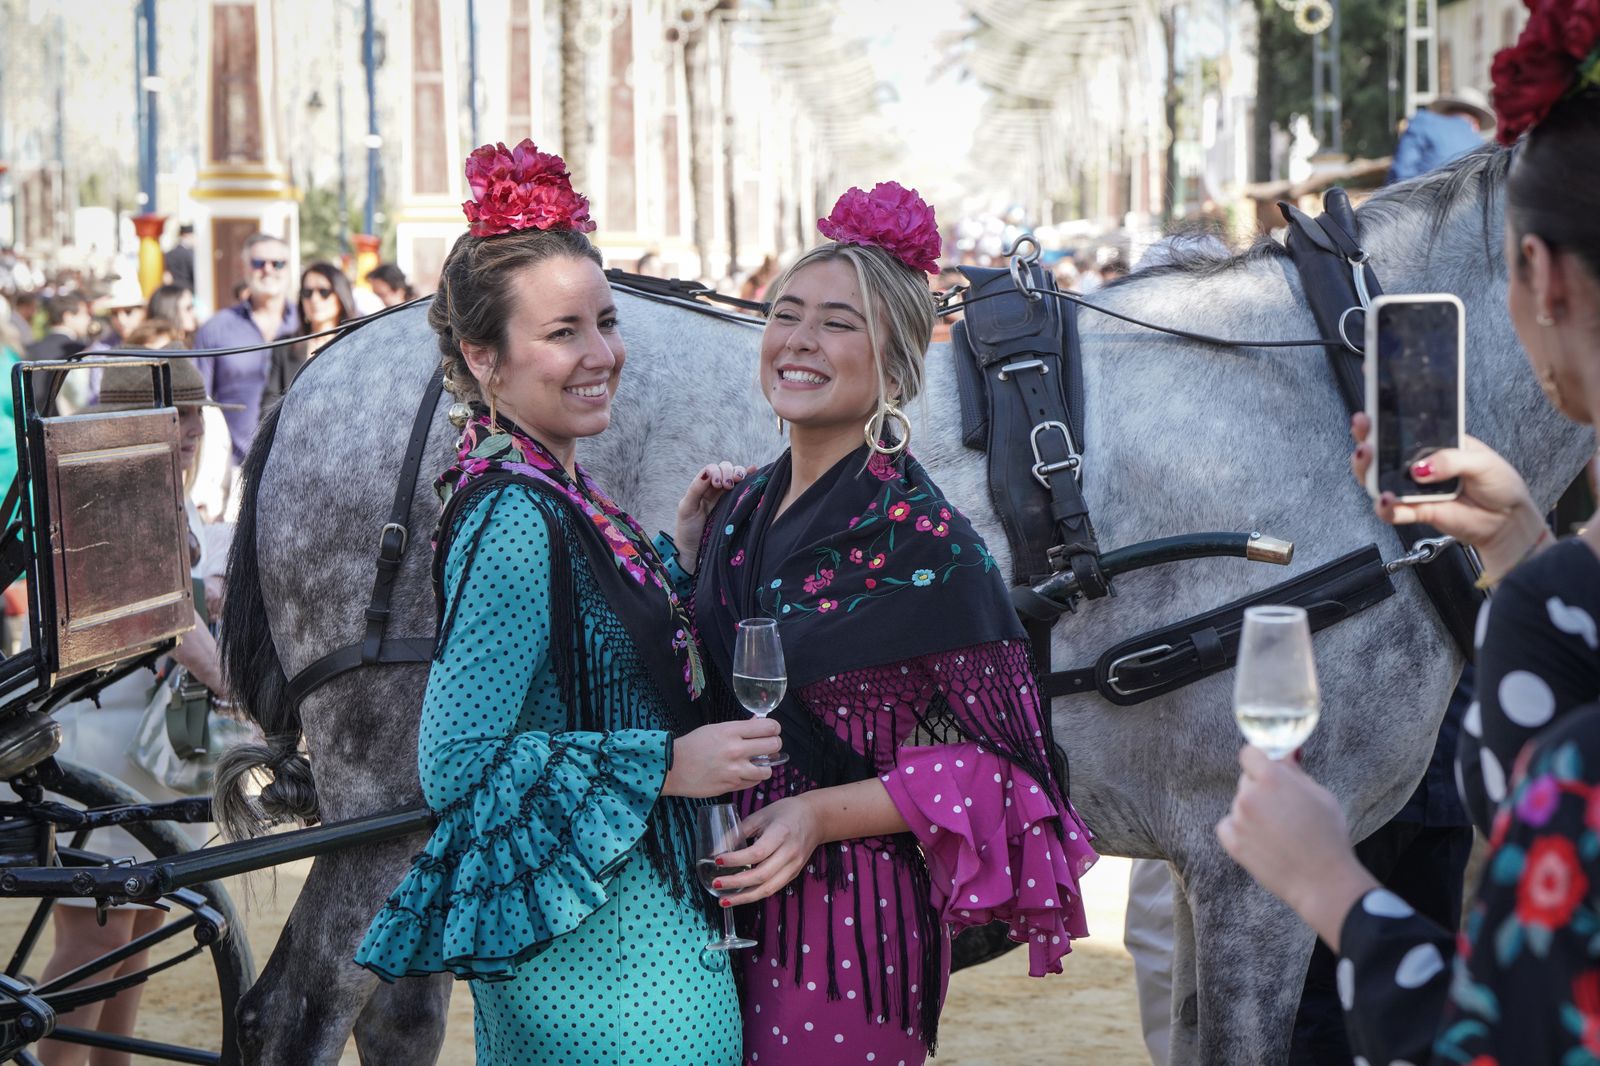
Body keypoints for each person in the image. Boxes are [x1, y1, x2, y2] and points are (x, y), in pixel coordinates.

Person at [1218, 16, 1600, 1061]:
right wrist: (1520, 534)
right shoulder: (1560, 583)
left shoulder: (1548, 611)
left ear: (1539, 273)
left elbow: (1514, 1033)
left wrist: (1325, 882)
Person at [354, 139, 773, 1065]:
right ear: (483, 356)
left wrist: (681, 557)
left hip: (613, 928)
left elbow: (574, 648)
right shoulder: (513, 512)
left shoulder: (550, 484)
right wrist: (669, 763)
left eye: (606, 321)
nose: (602, 355)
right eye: (562, 332)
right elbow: (457, 763)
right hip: (607, 968)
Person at [673, 182, 1097, 1064]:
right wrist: (688, 565)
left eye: (839, 322)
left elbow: (1011, 779)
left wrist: (819, 816)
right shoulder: (741, 508)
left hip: (846, 928)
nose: (799, 339)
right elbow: (703, 692)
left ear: (899, 367)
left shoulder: (928, 541)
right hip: (705, 904)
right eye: (787, 313)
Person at [37, 344, 239, 1066]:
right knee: (96, 943)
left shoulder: (157, 484)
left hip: (140, 742)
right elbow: (168, 624)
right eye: (178, 414)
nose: (191, 429)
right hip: (99, 734)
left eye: (196, 414)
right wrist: (233, 686)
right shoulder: (115, 486)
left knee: (137, 935)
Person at [192, 233, 299, 465]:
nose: (268, 270)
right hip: (234, 468)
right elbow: (198, 404)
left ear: (289, 268)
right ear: (244, 269)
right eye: (259, 263)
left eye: (278, 263)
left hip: (297, 468)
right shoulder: (216, 330)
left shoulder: (307, 327)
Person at [263, 262, 357, 409]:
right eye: (307, 293)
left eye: (323, 292)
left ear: (341, 295)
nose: (314, 299)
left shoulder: (358, 345)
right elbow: (268, 407)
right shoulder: (283, 346)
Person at [1388, 86, 1496, 184]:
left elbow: (1400, 172)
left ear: (1447, 111)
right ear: (1475, 123)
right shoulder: (1481, 146)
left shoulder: (1422, 122)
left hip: (1418, 200)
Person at [163, 223, 195, 292]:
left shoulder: (169, 253)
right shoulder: (190, 253)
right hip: (188, 290)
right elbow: (194, 273)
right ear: (187, 235)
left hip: (174, 290)